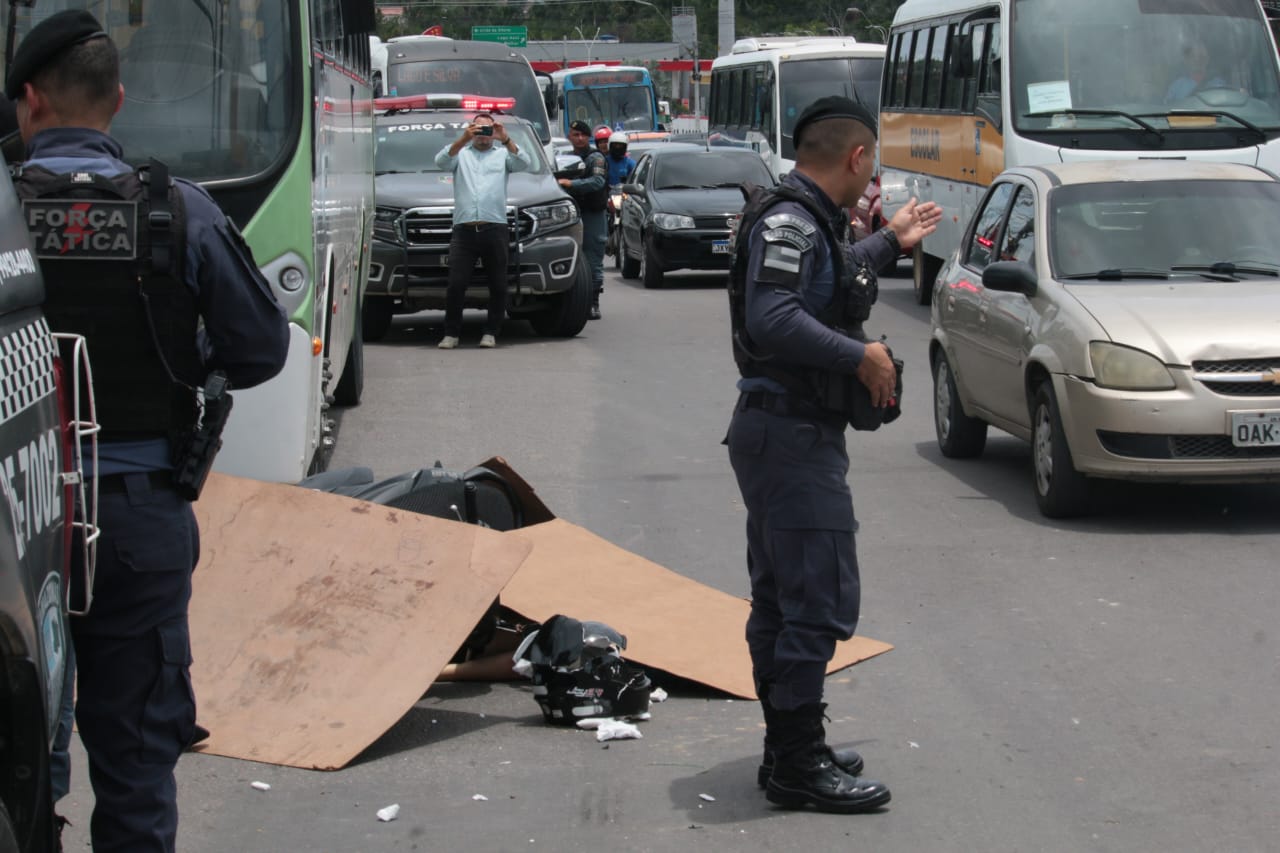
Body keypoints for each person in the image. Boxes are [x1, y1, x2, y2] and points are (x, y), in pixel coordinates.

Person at [7, 10, 290, 851]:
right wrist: (179, 355)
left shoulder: (2, 213)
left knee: (20, 759)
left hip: (14, 527)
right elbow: (259, 349)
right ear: (118, 101)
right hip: (137, 516)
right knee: (134, 760)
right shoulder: (179, 212)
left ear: (28, 101)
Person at [724, 96, 940, 814]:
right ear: (856, 158)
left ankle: (788, 746)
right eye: (872, 160)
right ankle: (796, 763)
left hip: (785, 433)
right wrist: (861, 358)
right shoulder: (790, 219)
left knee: (785, 597)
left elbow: (830, 277)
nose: (873, 173)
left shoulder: (805, 218)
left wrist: (892, 241)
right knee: (814, 599)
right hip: (789, 437)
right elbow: (774, 314)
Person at [434, 112, 531, 349]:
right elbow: (441, 161)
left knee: (498, 283)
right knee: (456, 283)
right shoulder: (461, 155)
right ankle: (451, 333)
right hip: (465, 230)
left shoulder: (502, 155)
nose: (484, 135)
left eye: (488, 130)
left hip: (494, 227)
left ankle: (491, 331)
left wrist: (505, 138)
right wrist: (462, 139)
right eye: (478, 130)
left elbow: (523, 162)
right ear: (471, 130)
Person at [560, 119, 609, 320]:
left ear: (588, 137)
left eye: (583, 135)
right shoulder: (564, 157)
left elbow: (597, 181)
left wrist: (570, 183)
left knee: (593, 259)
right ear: (569, 137)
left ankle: (593, 303)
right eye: (575, 135)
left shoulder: (595, 157)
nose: (579, 138)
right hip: (570, 213)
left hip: (592, 213)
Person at [1165, 36, 1227, 103]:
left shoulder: (1219, 84)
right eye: (1193, 56)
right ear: (1186, 60)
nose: (1197, 60)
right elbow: (1167, 108)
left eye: (1201, 56)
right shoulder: (1176, 87)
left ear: (1208, 59)